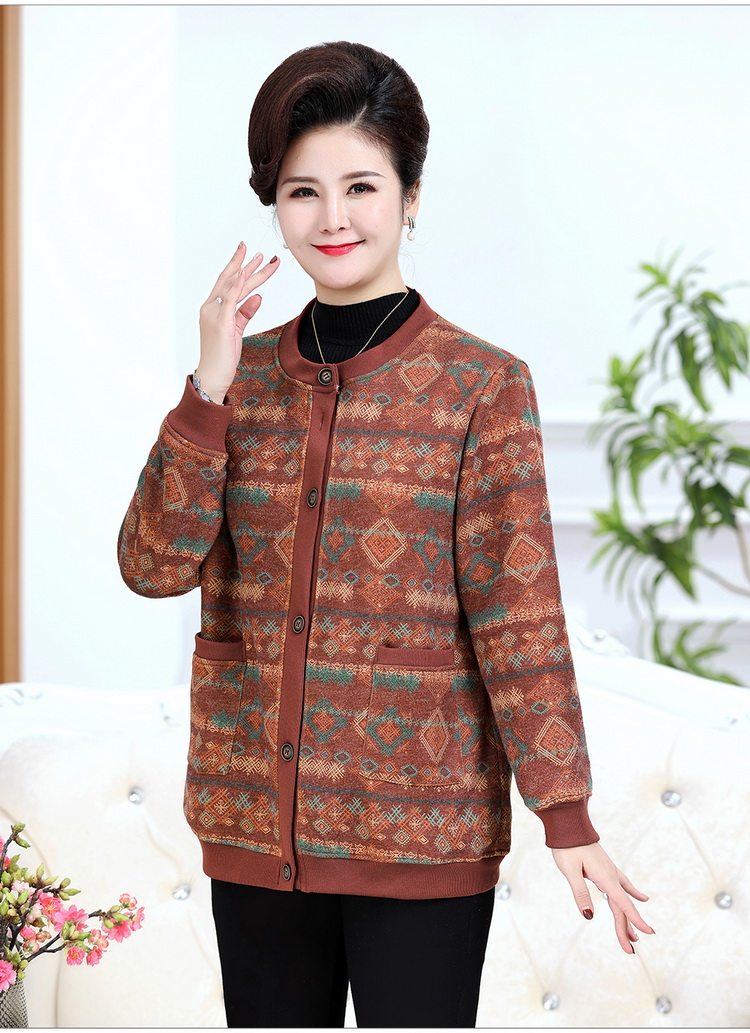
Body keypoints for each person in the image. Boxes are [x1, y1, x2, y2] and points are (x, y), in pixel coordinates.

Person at [117, 40, 655, 1029]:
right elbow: (153, 567)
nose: (333, 218)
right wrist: (209, 387)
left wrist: (564, 812)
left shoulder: (483, 384)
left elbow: (518, 612)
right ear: (274, 205)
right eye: (302, 192)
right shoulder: (238, 380)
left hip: (424, 831)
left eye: (360, 186)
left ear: (410, 196)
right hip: (253, 822)